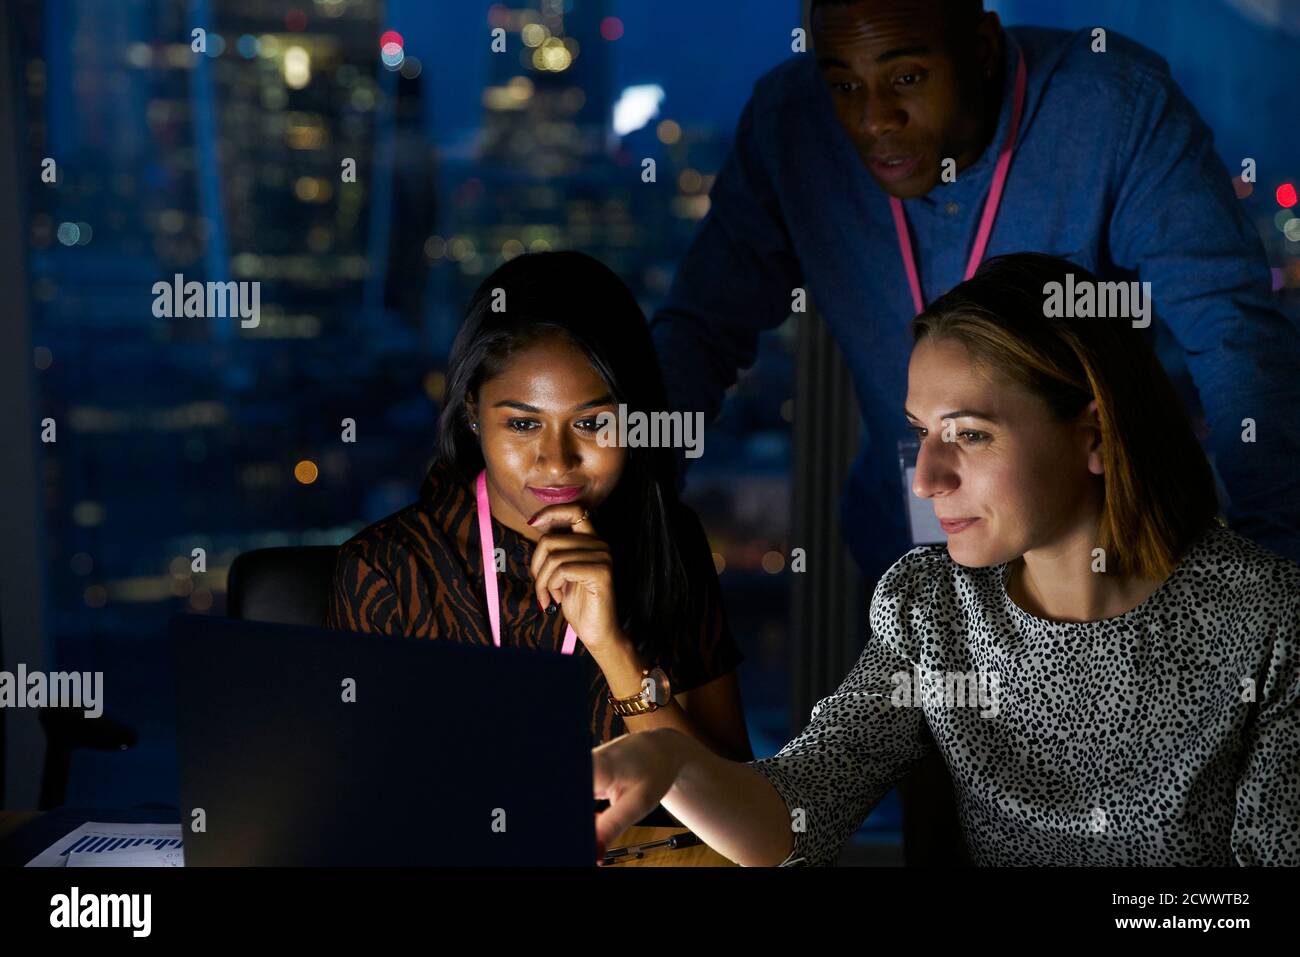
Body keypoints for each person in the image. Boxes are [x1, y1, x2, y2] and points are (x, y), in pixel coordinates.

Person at [594, 254, 1300, 866]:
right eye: (919, 432)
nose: (926, 479)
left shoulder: (1270, 617)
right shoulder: (930, 606)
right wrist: (672, 761)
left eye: (968, 433)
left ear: (1094, 436)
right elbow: (796, 814)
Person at [651, 0, 1300, 591]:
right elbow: (699, 334)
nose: (875, 118)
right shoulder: (789, 127)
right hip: (905, 566)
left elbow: (1236, 337)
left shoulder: (1113, 110)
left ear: (984, 49)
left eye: (907, 77)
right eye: (844, 85)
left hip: (1100, 574)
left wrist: (1273, 574)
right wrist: (629, 513)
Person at [326, 251, 752, 760]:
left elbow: (734, 806)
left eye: (593, 424)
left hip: (631, 844)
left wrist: (614, 650)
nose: (556, 462)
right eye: (523, 424)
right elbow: (362, 806)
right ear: (473, 415)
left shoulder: (667, 539)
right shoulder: (389, 569)